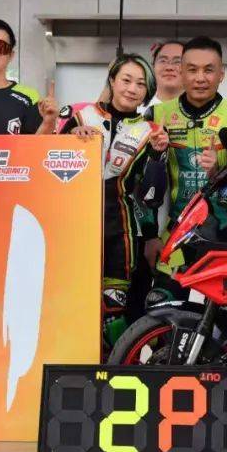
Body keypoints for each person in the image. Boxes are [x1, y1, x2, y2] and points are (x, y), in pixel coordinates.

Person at [58, 54, 169, 351]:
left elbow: (151, 196)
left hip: (119, 228)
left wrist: (157, 156)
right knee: (73, 301)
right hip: (73, 225)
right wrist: (70, 137)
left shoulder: (150, 131)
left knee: (115, 308)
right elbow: (46, 165)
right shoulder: (80, 116)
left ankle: (114, 364)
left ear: (148, 91)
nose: (132, 89)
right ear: (112, 80)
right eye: (126, 80)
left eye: (141, 84)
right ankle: (77, 362)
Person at [143, 36, 227, 279]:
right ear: (181, 72)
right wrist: (150, 235)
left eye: (208, 70)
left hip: (224, 234)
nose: (200, 78)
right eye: (192, 70)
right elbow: (140, 183)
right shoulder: (157, 115)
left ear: (221, 74)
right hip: (173, 232)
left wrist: (219, 169)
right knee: (165, 297)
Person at [149, 40, 184, 105]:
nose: (169, 67)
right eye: (163, 61)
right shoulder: (137, 108)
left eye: (177, 62)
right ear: (153, 66)